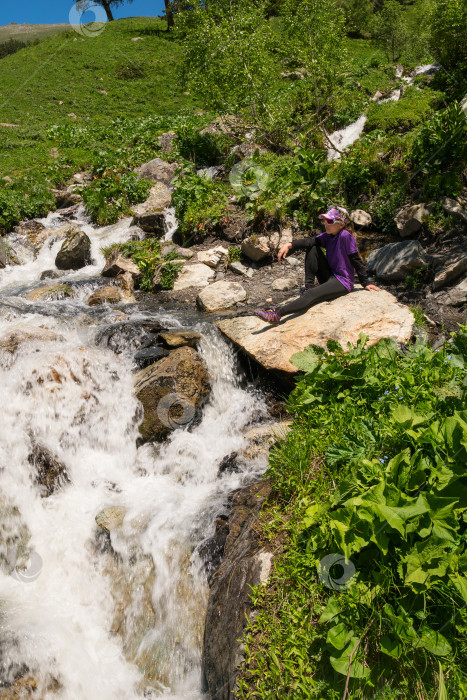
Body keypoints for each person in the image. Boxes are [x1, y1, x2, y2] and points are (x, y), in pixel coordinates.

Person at [253, 206, 379, 324]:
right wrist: (289, 244)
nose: (325, 223)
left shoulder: (346, 236)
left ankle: (278, 313)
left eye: (330, 221)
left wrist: (366, 282)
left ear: (341, 224)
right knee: (312, 247)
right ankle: (309, 286)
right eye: (325, 220)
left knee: (311, 296)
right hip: (330, 275)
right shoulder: (329, 236)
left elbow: (356, 260)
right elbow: (310, 241)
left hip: (342, 281)